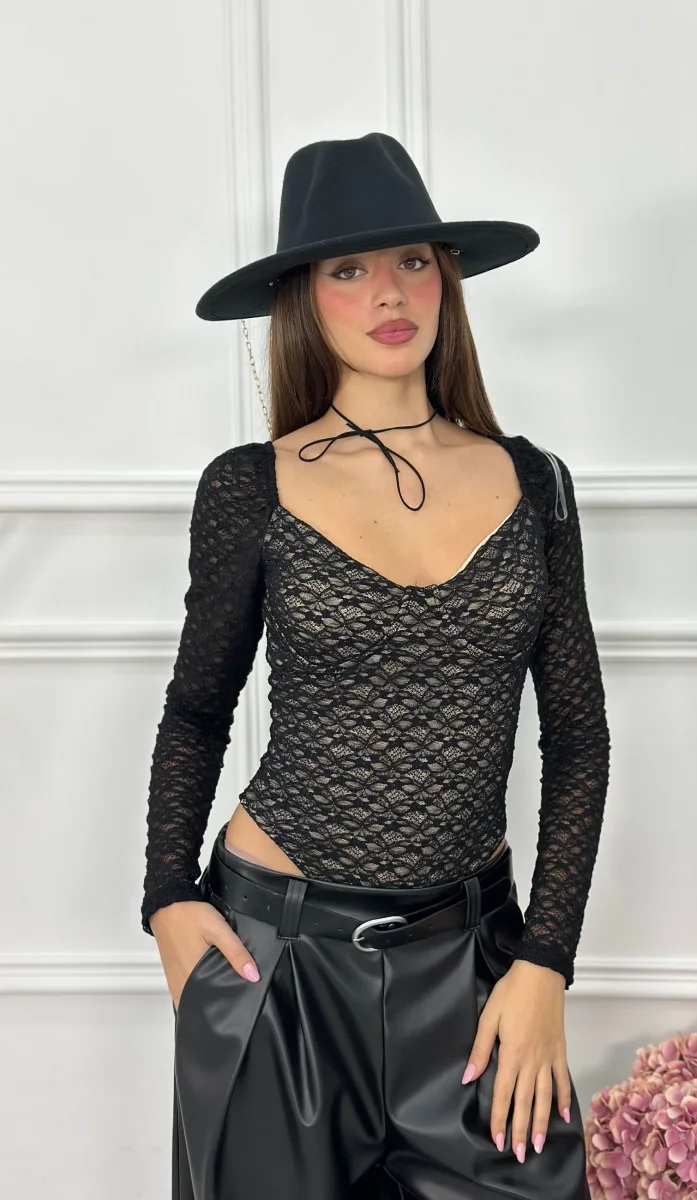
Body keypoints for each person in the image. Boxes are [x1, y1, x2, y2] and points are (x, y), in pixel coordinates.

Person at [142, 131, 611, 1200]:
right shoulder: (250, 487)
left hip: (475, 966)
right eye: (348, 269)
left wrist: (545, 964)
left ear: (446, 278)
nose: (389, 292)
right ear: (303, 299)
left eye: (412, 261)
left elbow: (578, 738)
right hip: (278, 964)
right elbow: (196, 710)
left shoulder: (535, 484)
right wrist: (167, 898)